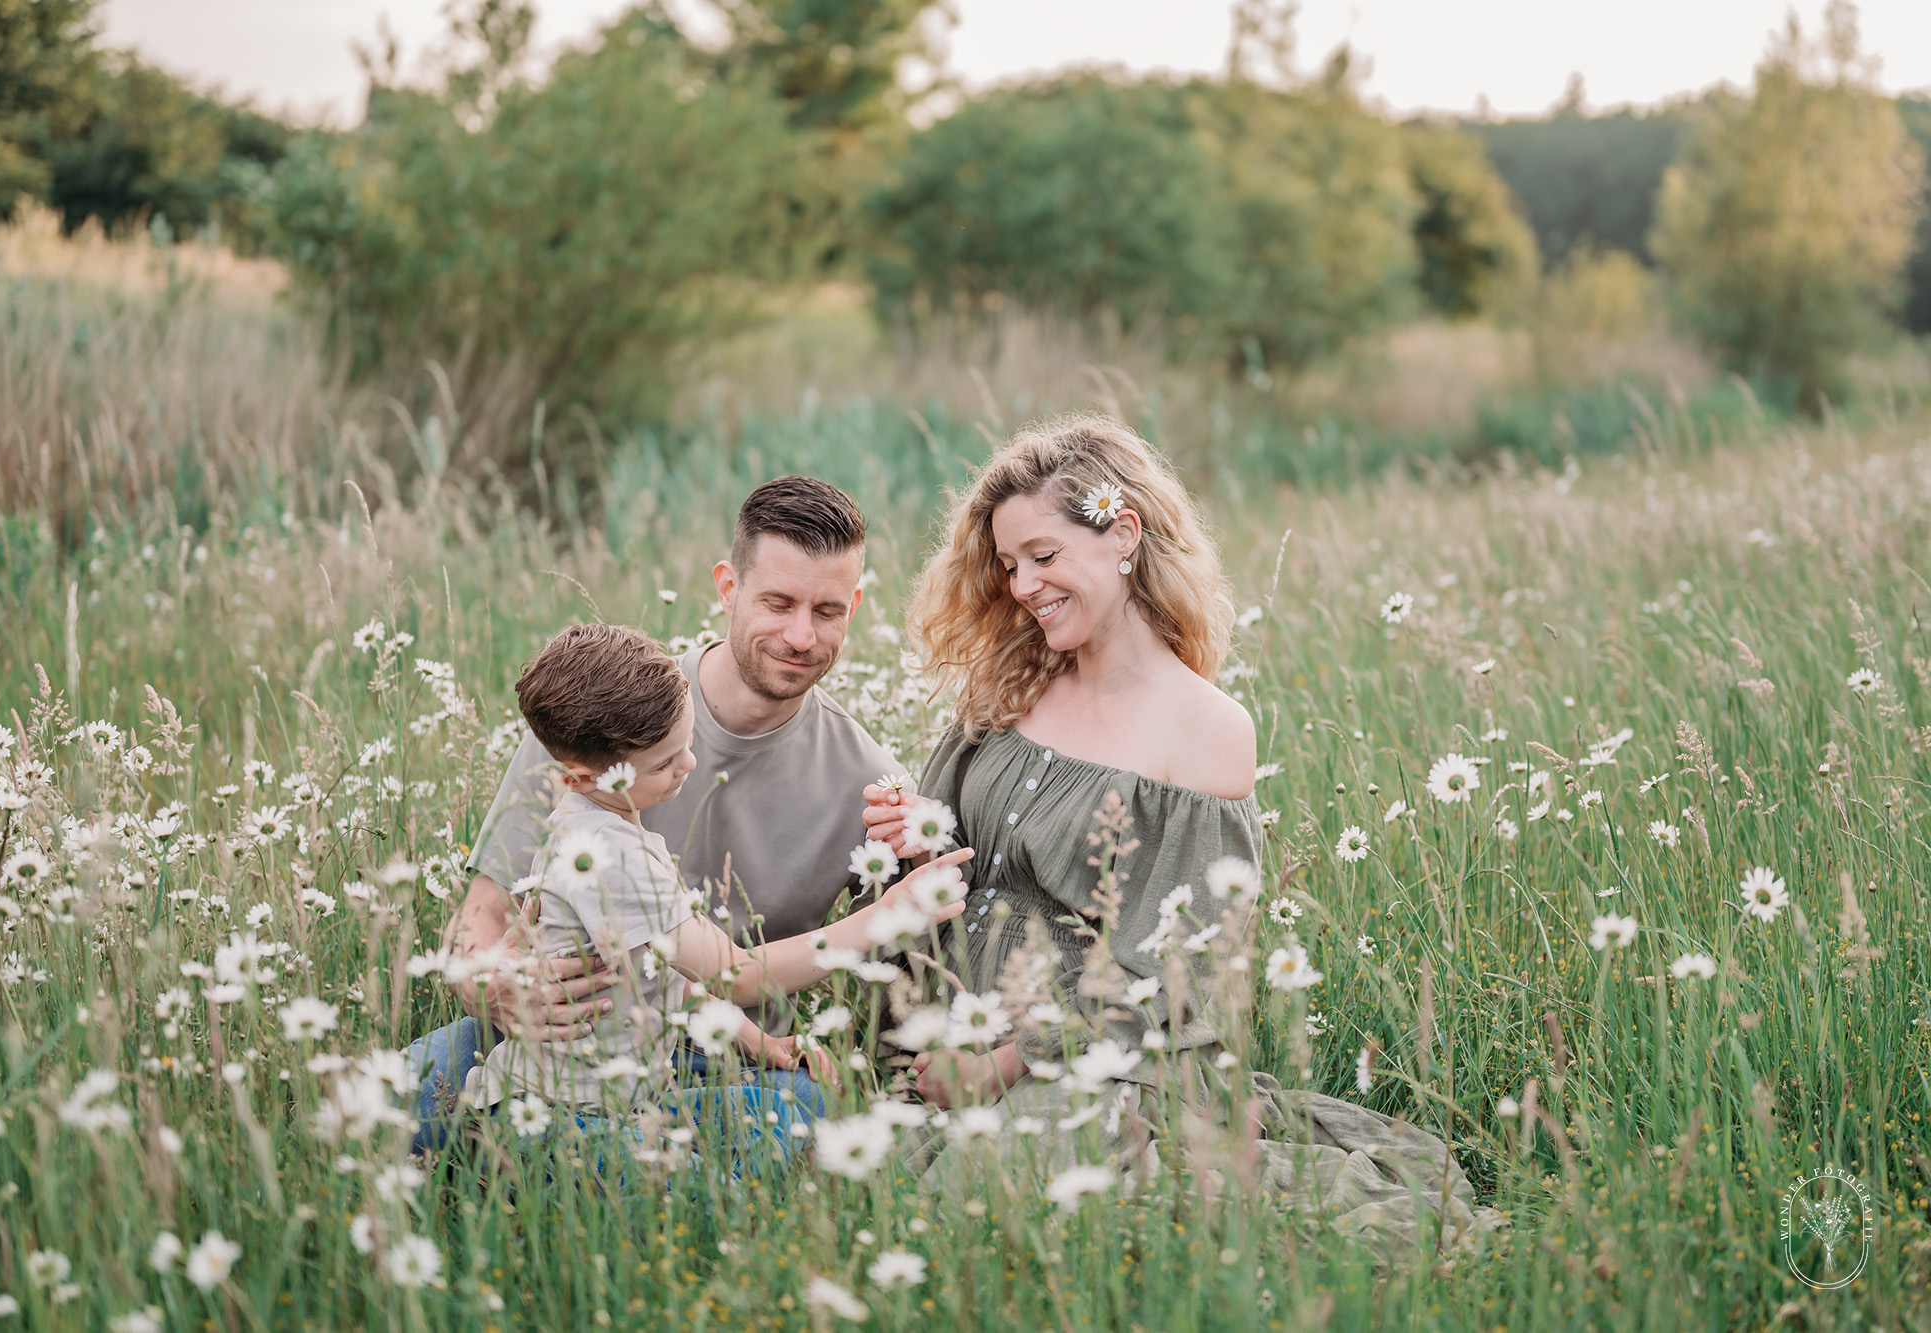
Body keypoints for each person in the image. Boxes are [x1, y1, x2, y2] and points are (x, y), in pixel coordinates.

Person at [863, 414, 1494, 1248]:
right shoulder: (1012, 683)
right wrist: (916, 836)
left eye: (1044, 557)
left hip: (1086, 1054)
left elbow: (1168, 968)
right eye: (1010, 565)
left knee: (988, 1197)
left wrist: (1002, 1062)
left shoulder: (1205, 730)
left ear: (1123, 534)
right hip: (946, 1020)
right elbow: (956, 859)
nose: (1022, 586)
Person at [409, 477, 904, 1150]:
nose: (800, 634)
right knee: (388, 1099)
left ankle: (583, 1166)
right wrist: (491, 986)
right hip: (560, 1038)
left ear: (855, 607)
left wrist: (922, 858)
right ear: (727, 588)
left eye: (828, 610)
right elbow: (481, 911)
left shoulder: (870, 779)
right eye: (778, 602)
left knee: (809, 1109)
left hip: (721, 1057)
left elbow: (916, 955)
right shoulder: (607, 716)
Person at [470, 620, 968, 1138]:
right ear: (580, 776)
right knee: (707, 1195)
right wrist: (885, 917)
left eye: (687, 744)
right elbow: (734, 974)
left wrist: (763, 1044)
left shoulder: (614, 829)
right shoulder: (605, 856)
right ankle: (486, 1147)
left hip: (624, 1090)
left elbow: (671, 979)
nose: (688, 765)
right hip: (564, 1112)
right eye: (665, 763)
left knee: (805, 1106)